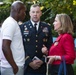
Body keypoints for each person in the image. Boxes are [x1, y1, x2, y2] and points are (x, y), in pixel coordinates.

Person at [20, 4, 53, 75]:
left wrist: (43, 60)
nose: (35, 14)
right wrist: (29, 61)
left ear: (41, 13)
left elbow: (50, 45)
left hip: (42, 66)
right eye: (33, 12)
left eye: (37, 12)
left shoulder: (47, 27)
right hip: (27, 65)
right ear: (29, 13)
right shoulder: (22, 27)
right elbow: (19, 46)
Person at [1, 1, 26, 75]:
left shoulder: (13, 23)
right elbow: (5, 46)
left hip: (13, 66)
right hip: (11, 68)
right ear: (18, 11)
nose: (25, 14)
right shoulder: (10, 23)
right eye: (24, 11)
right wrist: (14, 66)